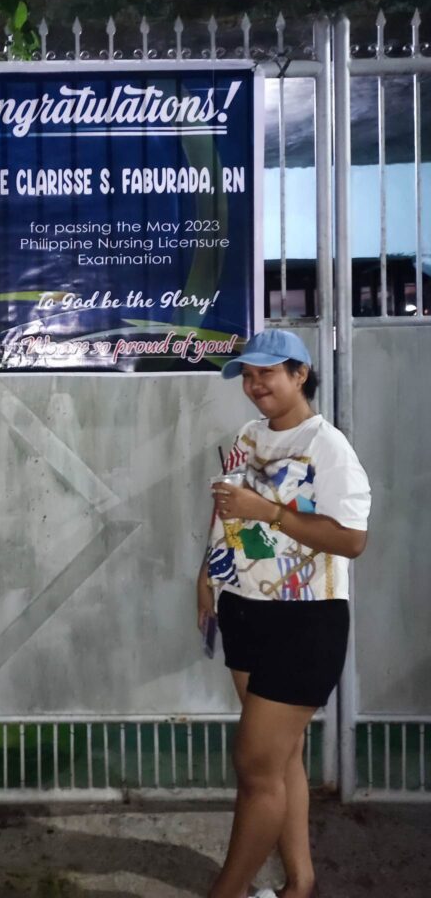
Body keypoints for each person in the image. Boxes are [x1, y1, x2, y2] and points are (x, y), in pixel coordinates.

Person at [196, 329, 370, 898]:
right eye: (247, 375)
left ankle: (229, 891)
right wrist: (206, 574)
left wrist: (267, 511)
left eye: (268, 372)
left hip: (305, 621)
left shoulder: (327, 445)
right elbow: (229, 510)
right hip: (246, 612)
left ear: (300, 374)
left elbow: (351, 540)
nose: (255, 385)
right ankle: (301, 883)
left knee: (255, 767)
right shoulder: (248, 436)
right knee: (282, 756)